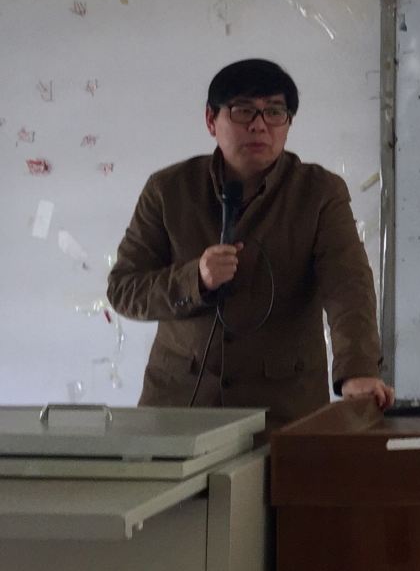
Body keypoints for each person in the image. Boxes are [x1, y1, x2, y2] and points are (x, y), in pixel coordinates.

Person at [107, 58, 394, 424]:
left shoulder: (319, 192)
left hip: (283, 406)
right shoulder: (168, 190)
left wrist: (358, 371)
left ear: (288, 123)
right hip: (180, 402)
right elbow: (124, 289)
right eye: (243, 111)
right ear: (211, 120)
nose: (259, 125)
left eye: (274, 112)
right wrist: (196, 279)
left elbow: (348, 286)